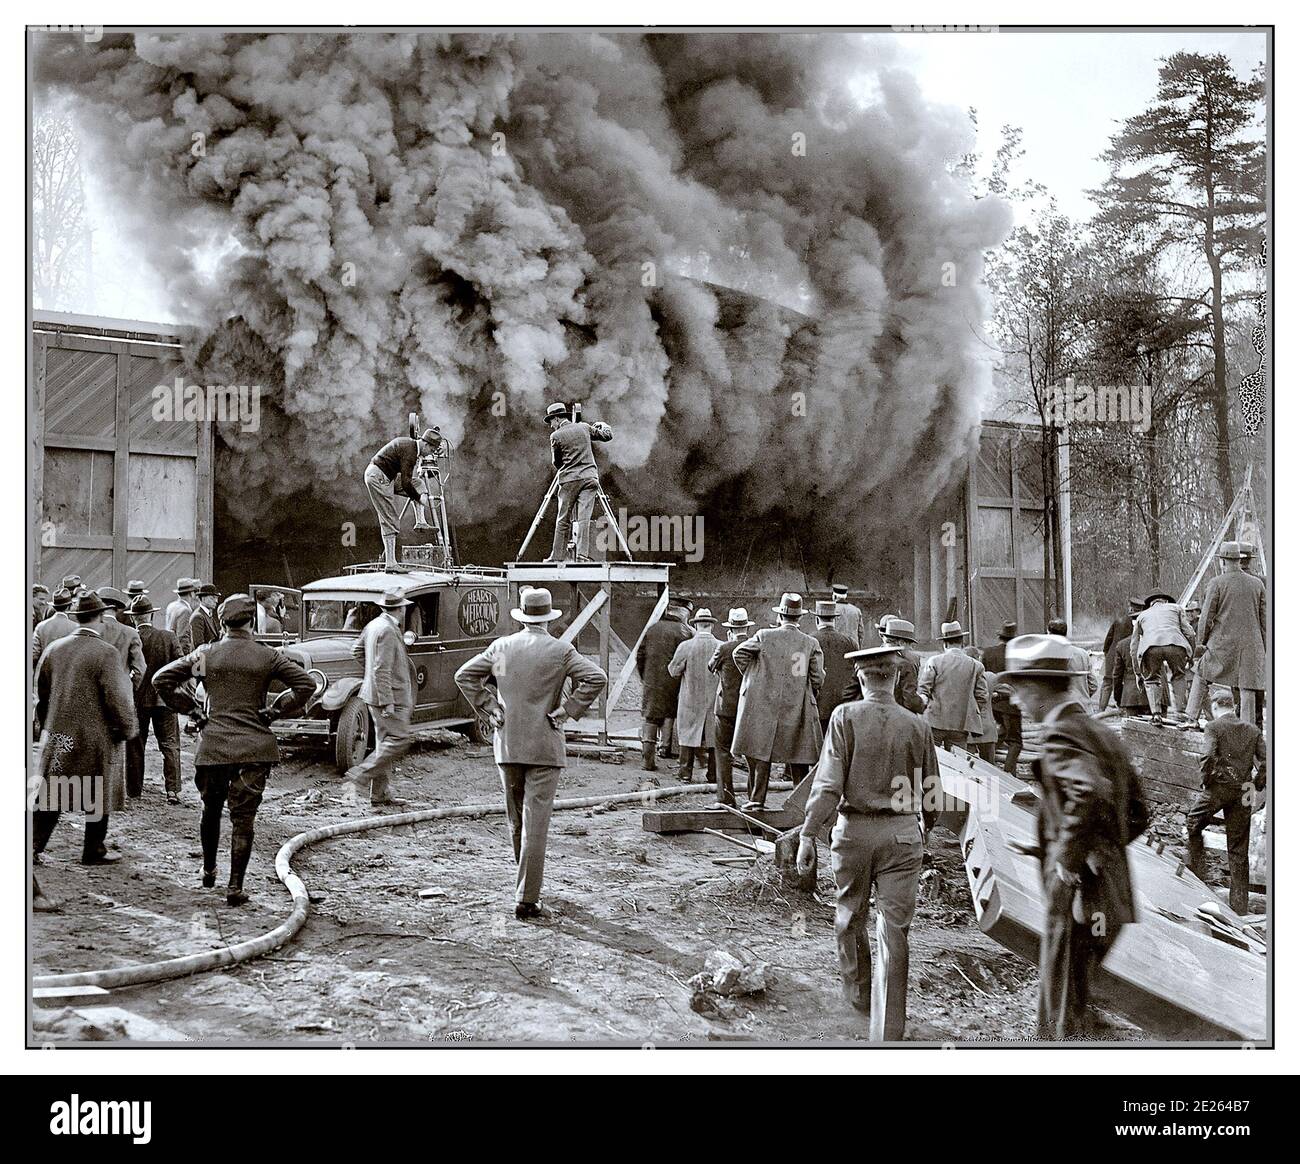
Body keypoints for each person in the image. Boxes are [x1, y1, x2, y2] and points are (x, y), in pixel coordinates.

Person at [999, 634, 1147, 1041]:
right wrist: (1093, 849)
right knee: (1076, 994)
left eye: (1019, 691)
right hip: (1110, 891)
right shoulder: (1102, 733)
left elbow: (1088, 791)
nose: (1016, 703)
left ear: (1039, 689)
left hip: (1077, 893)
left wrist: (1066, 863)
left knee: (1060, 1008)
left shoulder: (1059, 733)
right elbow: (1137, 812)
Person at [796, 645, 940, 1041]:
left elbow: (827, 786)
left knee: (849, 916)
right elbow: (932, 791)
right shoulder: (918, 725)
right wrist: (923, 827)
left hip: (854, 832)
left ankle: (859, 998)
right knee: (894, 930)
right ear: (895, 678)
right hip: (901, 834)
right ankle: (888, 1027)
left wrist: (808, 834)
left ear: (860, 678)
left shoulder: (845, 717)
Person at [455, 587, 606, 921]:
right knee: (535, 824)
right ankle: (527, 897)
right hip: (545, 745)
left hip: (507, 744)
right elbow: (597, 677)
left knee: (516, 821)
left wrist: (490, 707)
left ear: (522, 617)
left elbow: (464, 675)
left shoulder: (502, 648)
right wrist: (568, 710)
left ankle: (525, 887)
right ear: (548, 619)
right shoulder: (560, 650)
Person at [153, 595, 315, 906]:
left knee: (210, 811)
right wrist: (275, 710)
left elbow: (163, 680)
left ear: (223, 622)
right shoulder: (267, 656)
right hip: (255, 747)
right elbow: (306, 685)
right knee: (244, 819)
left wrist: (194, 711)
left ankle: (209, 870)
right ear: (252, 621)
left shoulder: (206, 655)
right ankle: (235, 887)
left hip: (213, 746)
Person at [32, 593, 138, 875]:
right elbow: (117, 697)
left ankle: (32, 846)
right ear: (101, 617)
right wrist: (127, 728)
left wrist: (47, 724)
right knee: (98, 791)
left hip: (58, 734)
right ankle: (93, 849)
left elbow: (41, 694)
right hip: (95, 736)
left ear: (76, 617)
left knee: (51, 792)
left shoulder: (54, 648)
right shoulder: (106, 652)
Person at [732, 593, 824, 810]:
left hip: (762, 703)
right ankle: (799, 805)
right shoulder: (809, 643)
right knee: (799, 754)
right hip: (796, 705)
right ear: (799, 617)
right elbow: (816, 677)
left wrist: (755, 678)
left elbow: (739, 653)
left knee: (759, 751)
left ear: (780, 615)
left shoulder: (764, 636)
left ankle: (756, 800)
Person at [1186, 690, 1266, 914]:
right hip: (1243, 791)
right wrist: (1257, 784)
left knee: (1193, 823)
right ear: (1233, 705)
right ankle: (1239, 908)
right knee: (1238, 849)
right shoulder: (1252, 730)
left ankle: (1198, 878)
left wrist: (1206, 781)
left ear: (1215, 706)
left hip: (1219, 788)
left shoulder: (1213, 727)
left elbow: (1208, 756)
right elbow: (1267, 760)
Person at [346, 588, 416, 807]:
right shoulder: (386, 629)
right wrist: (387, 701)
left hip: (375, 694)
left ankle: (380, 794)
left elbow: (356, 651)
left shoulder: (374, 625)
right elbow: (381, 668)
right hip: (389, 697)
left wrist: (371, 678)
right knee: (399, 740)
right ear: (401, 608)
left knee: (385, 743)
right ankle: (358, 776)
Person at [1197, 541, 1267, 729]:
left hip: (1223, 643)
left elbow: (1206, 617)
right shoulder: (1257, 583)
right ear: (1240, 559)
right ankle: (1248, 729)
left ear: (1223, 561)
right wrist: (1264, 648)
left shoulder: (1217, 582)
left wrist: (1200, 643)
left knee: (1201, 672)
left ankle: (1189, 716)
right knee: (1248, 687)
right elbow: (1265, 621)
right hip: (1252, 645)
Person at [125, 594, 183, 805]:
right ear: (151, 615)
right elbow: (181, 666)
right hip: (165, 701)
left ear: (133, 618)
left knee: (136, 745)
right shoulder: (168, 637)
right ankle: (173, 791)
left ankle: (134, 790)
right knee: (170, 745)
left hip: (138, 700)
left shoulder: (130, 637)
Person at [365, 427, 444, 570]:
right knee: (389, 517)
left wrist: (419, 493)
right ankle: (391, 563)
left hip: (387, 475)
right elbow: (406, 484)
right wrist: (419, 498)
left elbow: (410, 481)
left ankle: (421, 521)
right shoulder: (410, 452)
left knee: (418, 483)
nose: (429, 455)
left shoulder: (411, 447)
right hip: (378, 477)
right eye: (431, 451)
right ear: (426, 445)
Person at [544, 402, 613, 562]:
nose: (551, 426)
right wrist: (602, 425)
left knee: (563, 519)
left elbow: (557, 462)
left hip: (569, 481)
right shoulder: (584, 427)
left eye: (551, 422)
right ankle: (582, 555)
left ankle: (557, 557)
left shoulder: (556, 436)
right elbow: (607, 435)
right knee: (584, 519)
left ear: (556, 418)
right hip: (590, 478)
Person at [636, 596, 693, 770]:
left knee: (651, 715)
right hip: (674, 680)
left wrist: (645, 676)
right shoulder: (685, 632)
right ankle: (666, 749)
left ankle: (647, 759)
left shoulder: (652, 629)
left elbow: (640, 655)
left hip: (652, 680)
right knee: (670, 712)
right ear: (683, 613)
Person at [917, 620, 990, 752]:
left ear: (945, 643)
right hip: (961, 724)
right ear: (962, 642)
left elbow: (923, 690)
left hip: (935, 722)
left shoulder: (934, 661)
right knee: (958, 765)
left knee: (933, 761)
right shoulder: (976, 666)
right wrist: (969, 713)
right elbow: (982, 696)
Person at [667, 608, 721, 786]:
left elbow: (673, 671)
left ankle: (685, 773)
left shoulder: (686, 646)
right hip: (714, 700)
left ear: (696, 625)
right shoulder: (720, 646)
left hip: (690, 698)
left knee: (688, 734)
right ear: (711, 626)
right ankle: (713, 775)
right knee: (714, 736)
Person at [708, 608, 754, 806]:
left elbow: (711, 667)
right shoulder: (755, 647)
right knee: (752, 754)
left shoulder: (724, 648)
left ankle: (726, 798)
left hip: (726, 708)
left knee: (723, 752)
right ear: (746, 628)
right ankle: (754, 799)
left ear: (730, 629)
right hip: (749, 709)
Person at [1126, 594, 1194, 722]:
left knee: (1151, 679)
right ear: (1166, 601)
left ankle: (1156, 714)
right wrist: (1191, 655)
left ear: (1150, 604)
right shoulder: (1176, 608)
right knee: (1178, 675)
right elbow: (1189, 633)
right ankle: (1181, 712)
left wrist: (1138, 672)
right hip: (1175, 644)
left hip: (1150, 647)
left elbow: (1133, 647)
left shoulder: (1142, 615)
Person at [811, 599, 856, 736]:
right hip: (843, 705)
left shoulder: (810, 641)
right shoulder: (850, 642)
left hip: (818, 706)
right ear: (834, 620)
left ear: (817, 619)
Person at [982, 622, 1022, 773]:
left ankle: (987, 762)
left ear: (1000, 637)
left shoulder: (988, 653)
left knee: (1000, 733)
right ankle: (1008, 774)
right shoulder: (1019, 655)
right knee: (1015, 741)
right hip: (1012, 704)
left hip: (994, 702)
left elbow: (983, 677)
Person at [1047, 617, 1099, 709]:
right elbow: (1093, 684)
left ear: (1049, 634)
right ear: (1065, 633)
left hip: (1060, 712)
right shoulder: (1083, 654)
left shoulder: (1048, 656)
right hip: (1083, 708)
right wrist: (1082, 697)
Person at [965, 645, 1000, 763]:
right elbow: (1008, 692)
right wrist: (995, 696)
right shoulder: (990, 677)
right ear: (978, 658)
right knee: (990, 767)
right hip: (987, 728)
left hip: (968, 728)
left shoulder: (961, 677)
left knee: (966, 766)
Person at [1101, 632, 1151, 715]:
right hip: (1156, 696)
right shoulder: (1156, 641)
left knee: (1132, 726)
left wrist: (1118, 698)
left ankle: (1101, 708)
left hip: (1131, 696)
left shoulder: (1122, 644)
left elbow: (1117, 676)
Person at [32, 587, 75, 667]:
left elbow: (33, 654)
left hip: (45, 671)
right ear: (69, 606)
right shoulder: (75, 627)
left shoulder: (41, 626)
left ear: (54, 607)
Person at [184, 584, 222, 651]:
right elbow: (199, 645)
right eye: (213, 598)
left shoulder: (207, 614)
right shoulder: (198, 617)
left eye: (216, 598)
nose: (216, 601)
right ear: (203, 599)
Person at [830, 584, 865, 648]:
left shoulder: (831, 610)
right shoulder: (856, 610)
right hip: (853, 647)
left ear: (834, 596)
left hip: (836, 647)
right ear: (845, 596)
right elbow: (861, 634)